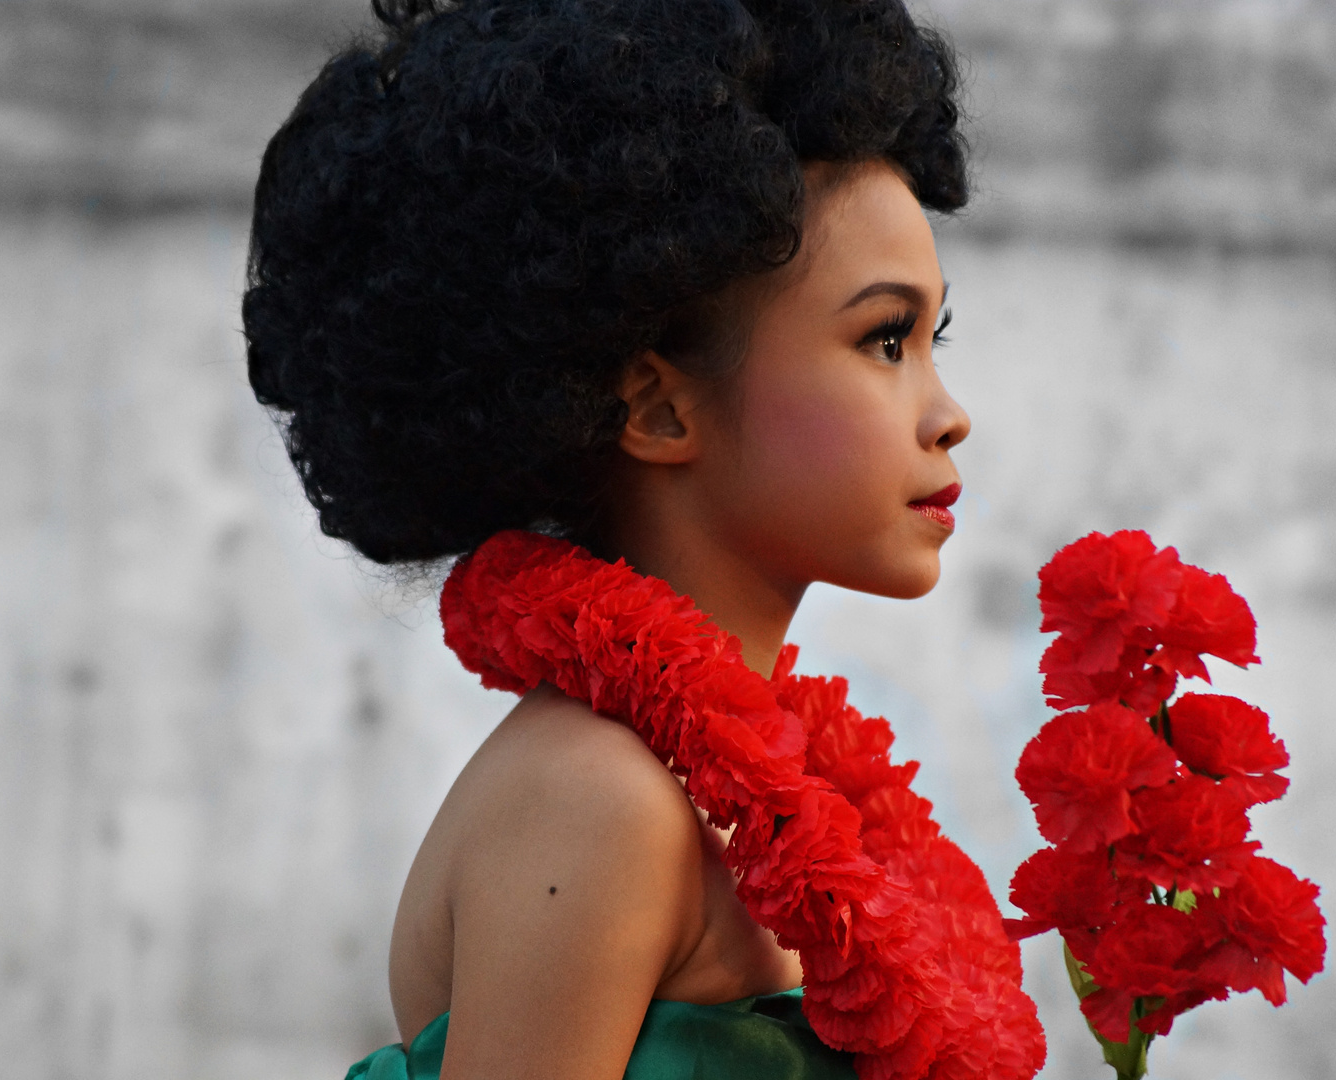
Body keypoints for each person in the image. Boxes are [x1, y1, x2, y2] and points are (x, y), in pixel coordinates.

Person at [242, 1, 1045, 1078]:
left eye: (929, 337)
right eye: (882, 338)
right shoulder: (600, 798)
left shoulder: (760, 789)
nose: (946, 413)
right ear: (659, 411)